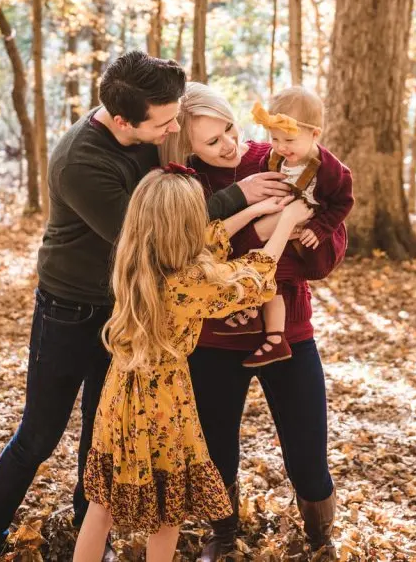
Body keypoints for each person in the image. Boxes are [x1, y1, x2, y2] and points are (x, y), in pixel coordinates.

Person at [0, 53, 292, 561]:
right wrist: (240, 197)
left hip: (130, 308)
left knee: (103, 431)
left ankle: (87, 536)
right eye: (164, 123)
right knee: (41, 430)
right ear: (123, 121)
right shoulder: (81, 162)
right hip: (72, 306)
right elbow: (156, 236)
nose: (172, 131)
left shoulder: (148, 134)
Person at [72, 166, 313, 562]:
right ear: (183, 226)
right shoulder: (189, 282)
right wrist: (286, 221)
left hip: (119, 397)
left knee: (102, 506)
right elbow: (253, 279)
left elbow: (208, 239)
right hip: (164, 403)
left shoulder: (135, 259)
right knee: (168, 515)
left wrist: (253, 213)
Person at [159, 83, 346, 560]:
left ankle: (320, 534)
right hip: (215, 340)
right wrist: (260, 229)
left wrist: (302, 238)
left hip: (289, 332)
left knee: (307, 450)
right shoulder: (183, 186)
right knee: (216, 446)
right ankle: (222, 533)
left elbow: (325, 248)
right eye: (212, 141)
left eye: (229, 129)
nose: (229, 144)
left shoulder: (278, 156)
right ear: (188, 148)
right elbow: (187, 258)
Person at [245, 87, 354, 367]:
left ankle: (263, 323)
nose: (281, 146)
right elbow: (265, 178)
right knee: (268, 273)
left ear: (314, 134)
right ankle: (273, 335)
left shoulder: (331, 171)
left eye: (289, 139)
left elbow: (342, 204)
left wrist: (319, 228)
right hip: (281, 225)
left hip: (316, 237)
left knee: (277, 273)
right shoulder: (274, 158)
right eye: (274, 138)